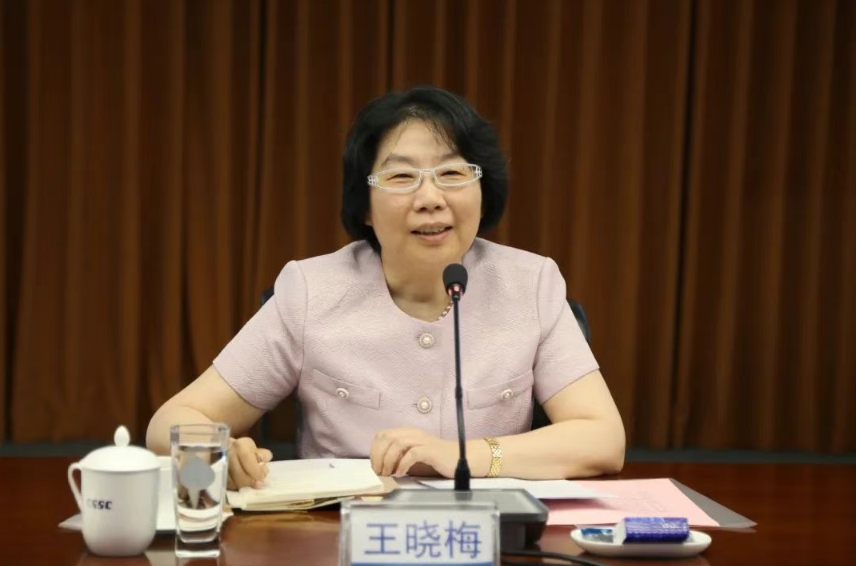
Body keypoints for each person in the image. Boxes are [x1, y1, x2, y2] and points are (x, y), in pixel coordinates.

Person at [146, 85, 625, 490]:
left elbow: (603, 439)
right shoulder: (312, 292)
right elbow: (170, 422)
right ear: (366, 207)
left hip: (490, 538)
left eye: (452, 173)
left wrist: (464, 456)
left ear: (484, 191)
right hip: (337, 538)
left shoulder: (530, 284)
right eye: (401, 177)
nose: (430, 198)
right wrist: (213, 458)